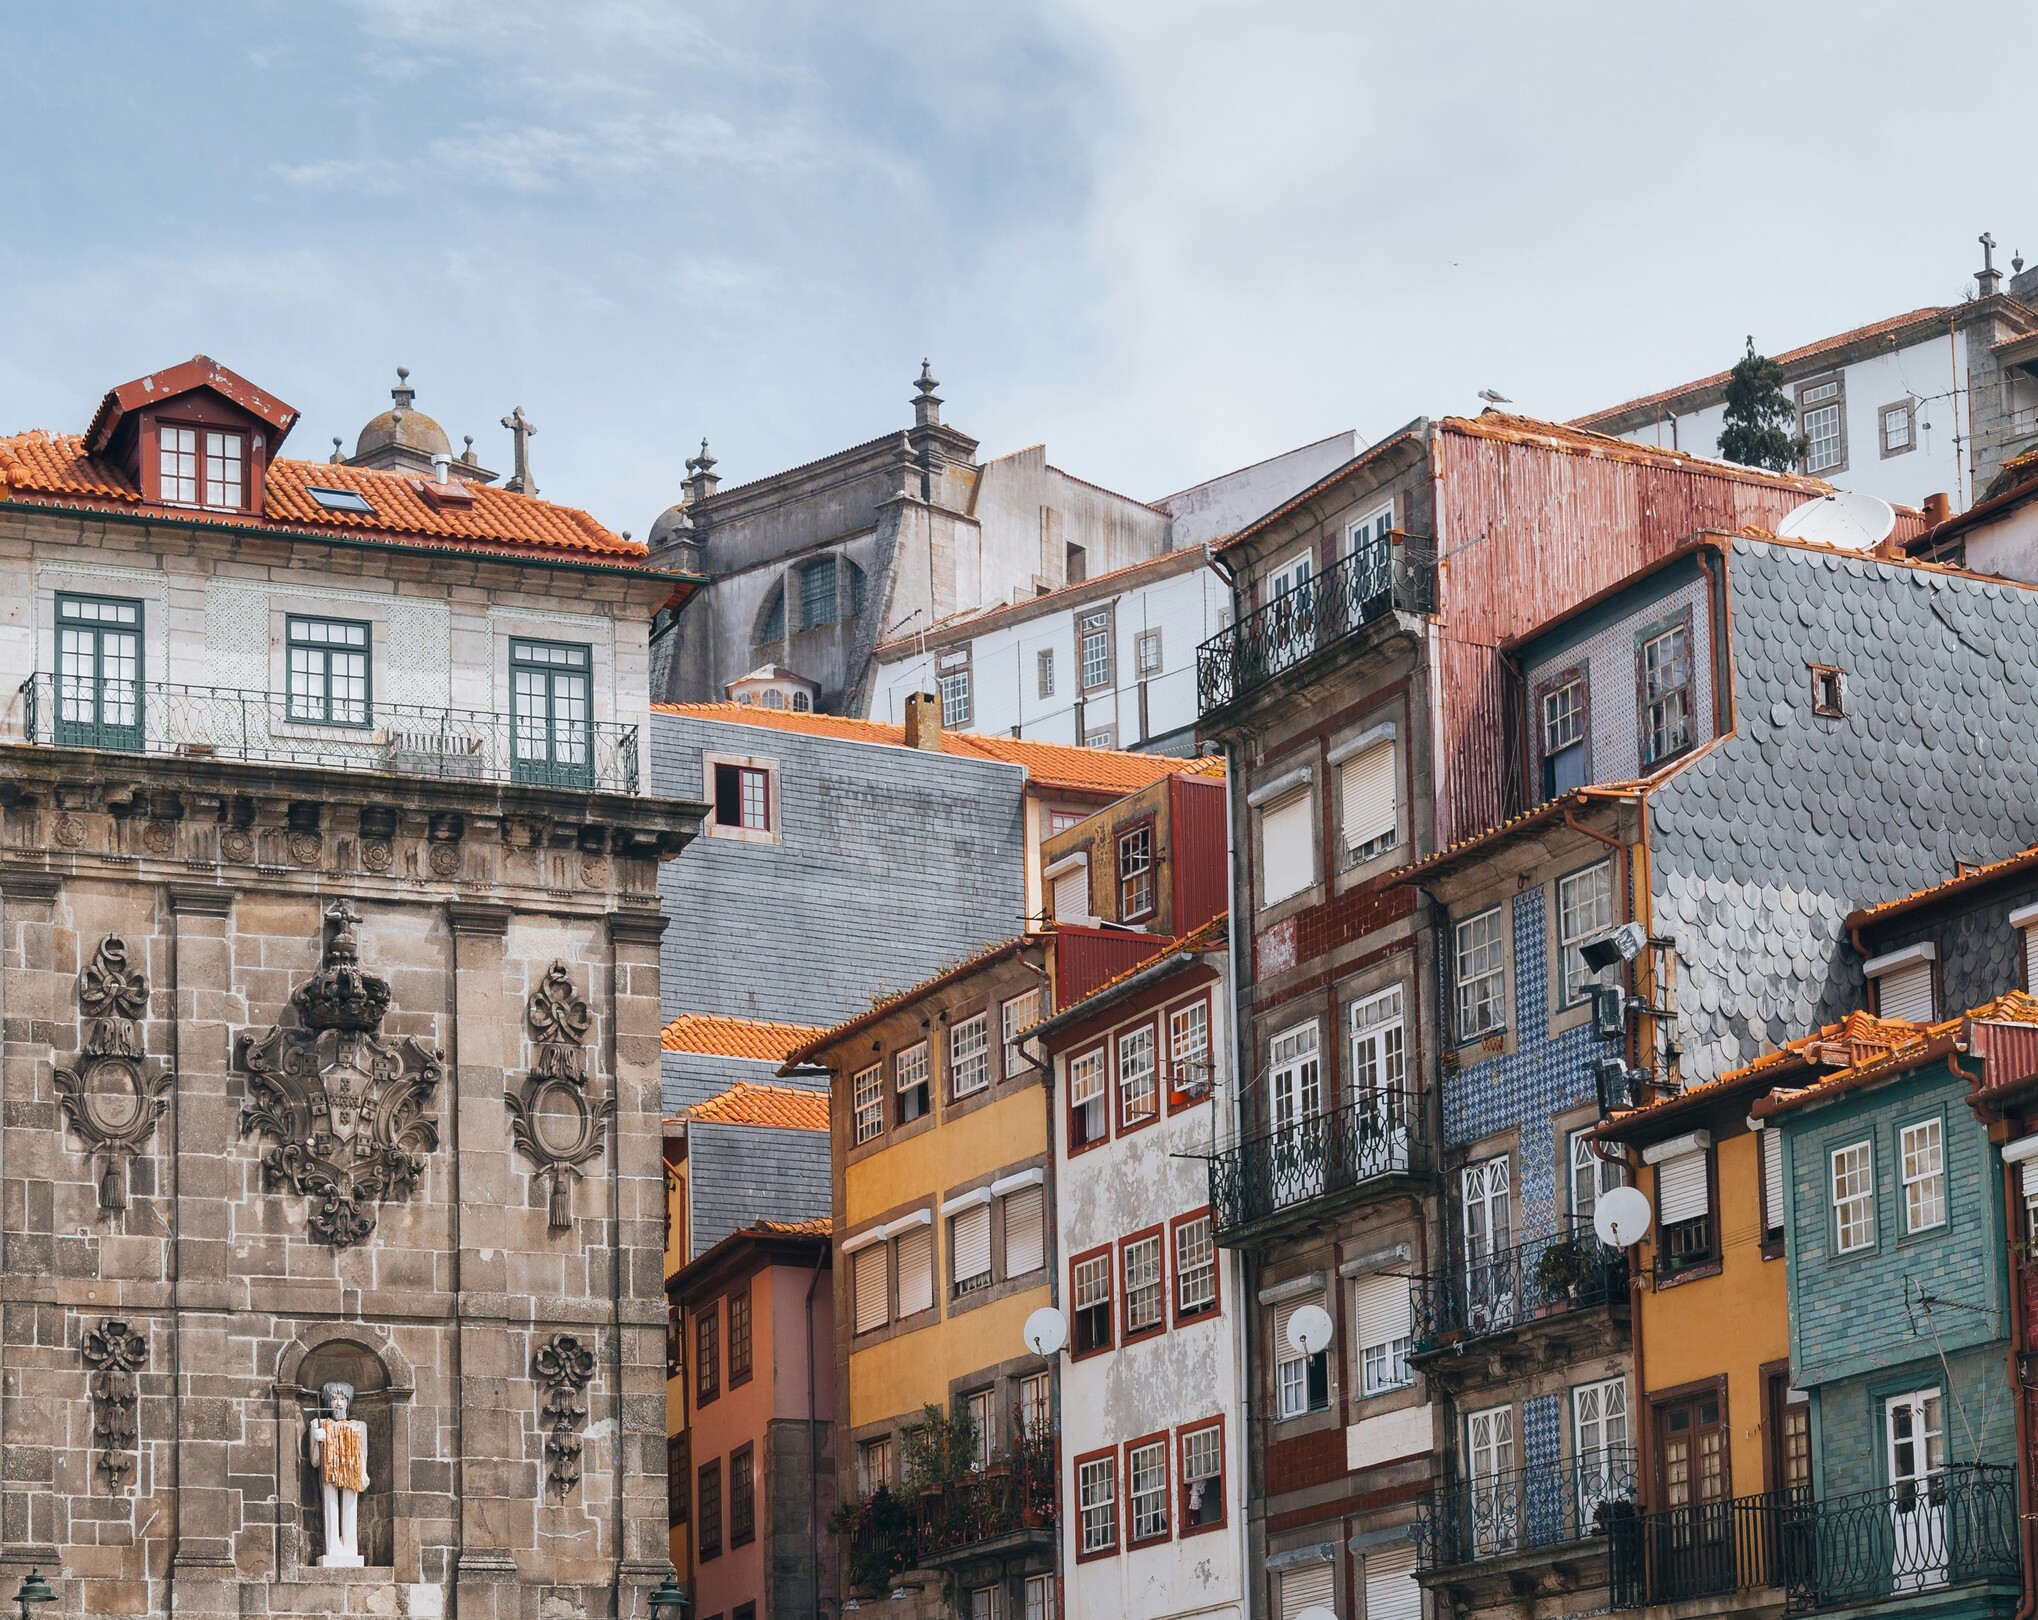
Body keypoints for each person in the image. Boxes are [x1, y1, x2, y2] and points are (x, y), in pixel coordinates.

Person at [309, 1381, 369, 1567]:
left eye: (343, 1398)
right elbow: (315, 1461)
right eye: (334, 1398)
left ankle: (350, 1549)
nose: (339, 1403)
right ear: (328, 1401)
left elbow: (363, 1452)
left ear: (349, 1401)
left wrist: (363, 1472)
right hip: (329, 1471)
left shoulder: (359, 1426)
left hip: (352, 1470)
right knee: (330, 1506)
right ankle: (332, 1549)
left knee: (351, 1507)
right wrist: (319, 1440)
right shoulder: (318, 1424)